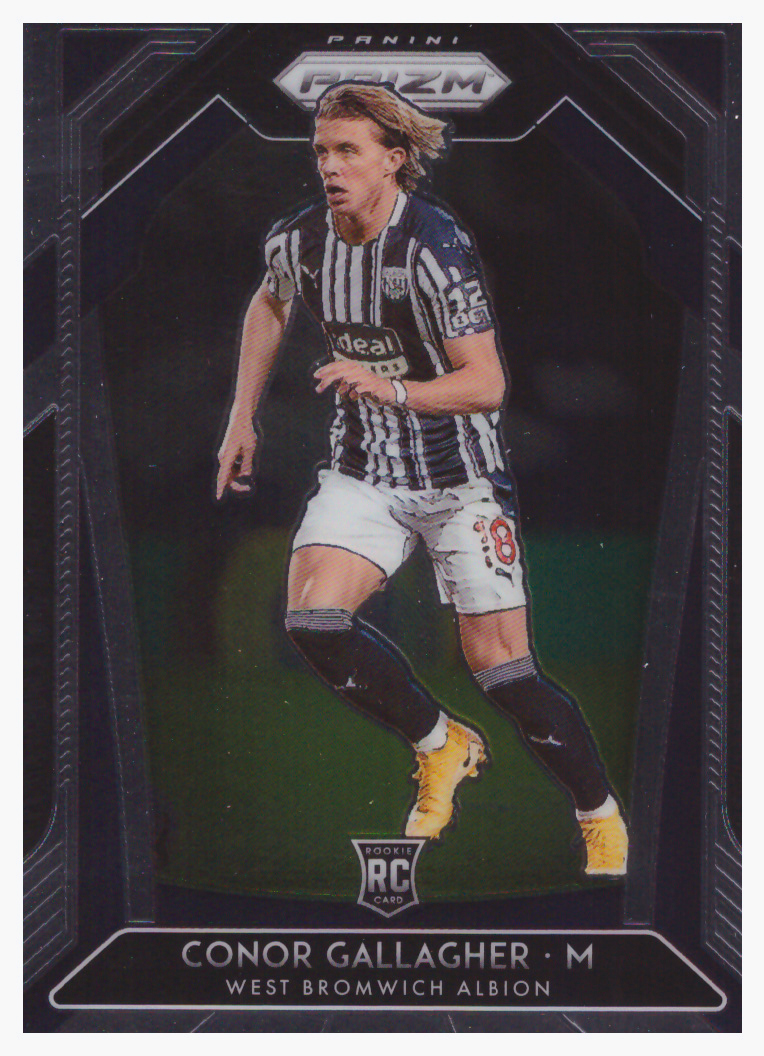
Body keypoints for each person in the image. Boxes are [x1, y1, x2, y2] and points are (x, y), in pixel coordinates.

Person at [216, 82, 628, 876]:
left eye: (348, 151)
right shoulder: (301, 239)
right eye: (321, 151)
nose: (329, 167)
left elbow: (488, 383)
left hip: (462, 481)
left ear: (393, 161)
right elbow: (269, 303)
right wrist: (242, 416)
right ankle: (441, 744)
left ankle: (599, 815)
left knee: (507, 674)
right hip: (364, 470)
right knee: (313, 621)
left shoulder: (434, 247)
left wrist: (392, 388)